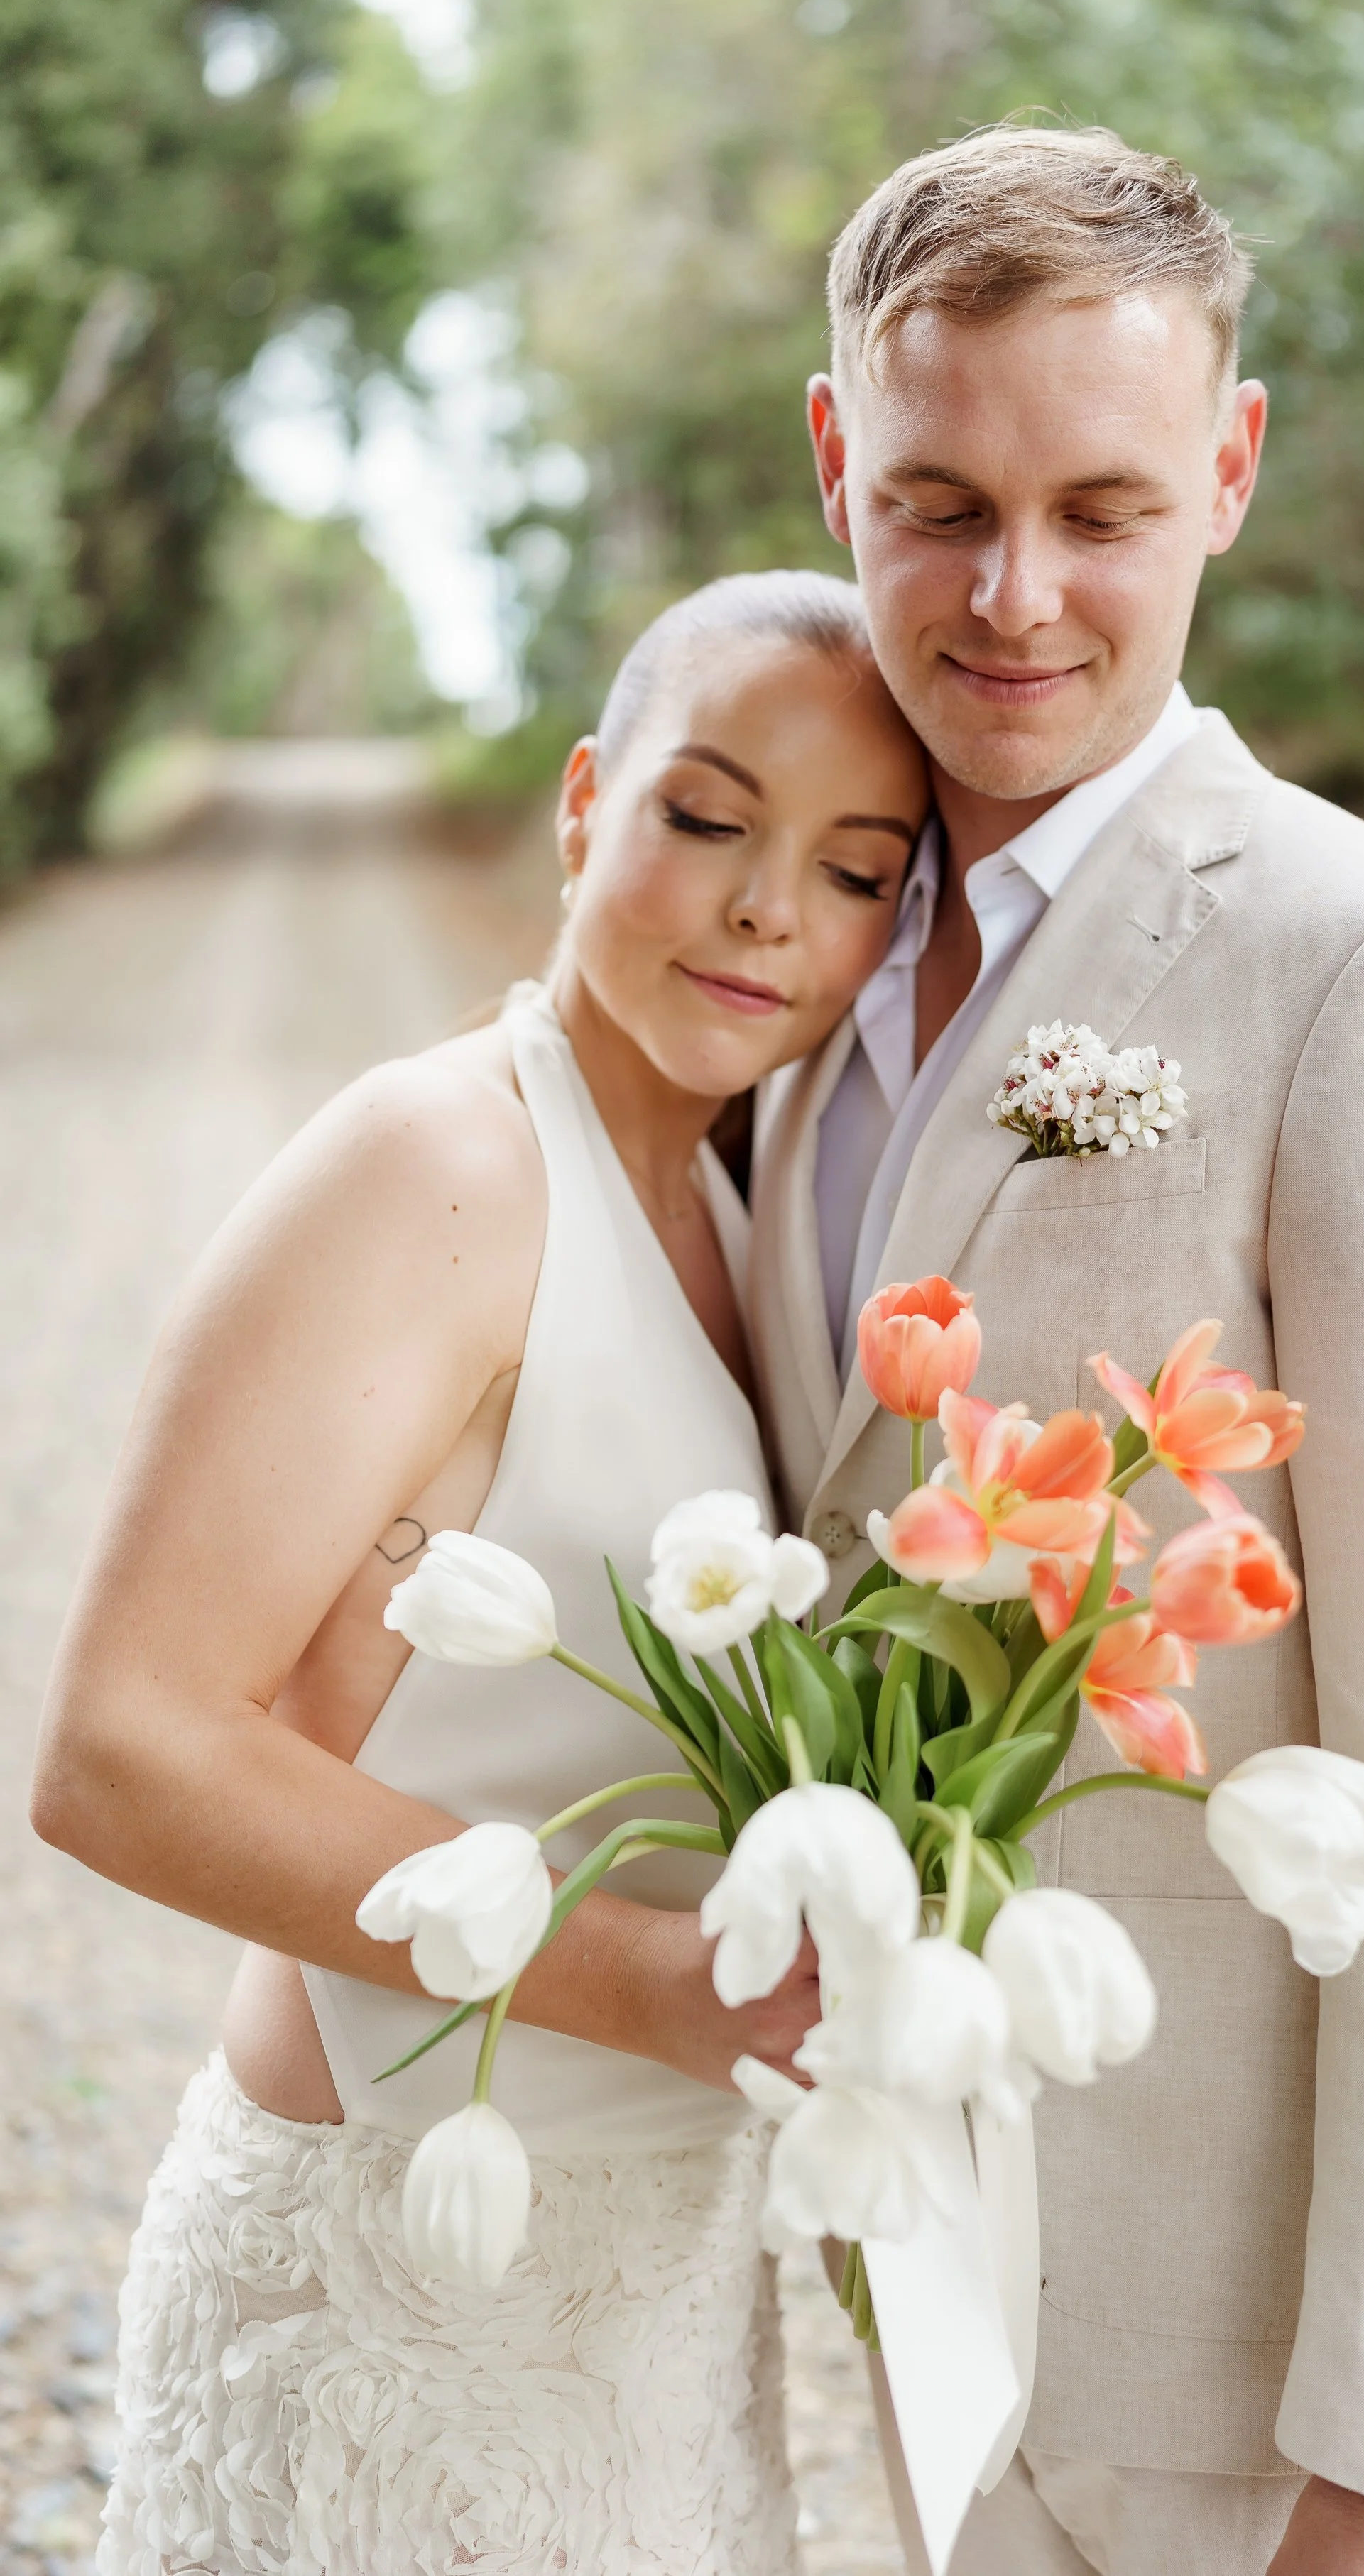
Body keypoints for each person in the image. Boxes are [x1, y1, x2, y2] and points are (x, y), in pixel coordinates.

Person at [748, 125, 1364, 2575]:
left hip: (1229, 2397)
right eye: (935, 502)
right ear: (834, 456)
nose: (1013, 595)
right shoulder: (790, 959)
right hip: (919, 2316)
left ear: (1228, 474)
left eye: (1103, 508)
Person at [31, 571, 928, 2575]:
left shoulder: (735, 1203)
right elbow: (114, 1747)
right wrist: (661, 1988)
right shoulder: (438, 1166)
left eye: (855, 867)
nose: (770, 906)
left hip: (645, 2292)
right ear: (583, 798)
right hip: (399, 2284)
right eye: (708, 818)